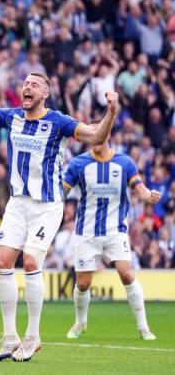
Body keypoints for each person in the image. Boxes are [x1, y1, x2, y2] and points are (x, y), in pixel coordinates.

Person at [0, 63, 119, 362]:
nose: (28, 87)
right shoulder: (13, 117)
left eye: (34, 84)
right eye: (25, 83)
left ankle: (33, 336)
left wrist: (111, 112)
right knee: (2, 261)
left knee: (31, 261)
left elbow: (96, 137)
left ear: (45, 93)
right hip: (18, 203)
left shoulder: (59, 122)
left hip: (47, 205)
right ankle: (9, 337)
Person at [63, 141, 161, 340]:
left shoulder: (124, 162)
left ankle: (143, 327)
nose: (94, 139)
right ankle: (80, 323)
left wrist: (148, 195)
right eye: (91, 135)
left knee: (126, 273)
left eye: (98, 134)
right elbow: (61, 191)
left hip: (115, 230)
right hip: (86, 232)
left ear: (107, 136)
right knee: (83, 284)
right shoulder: (78, 163)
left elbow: (139, 189)